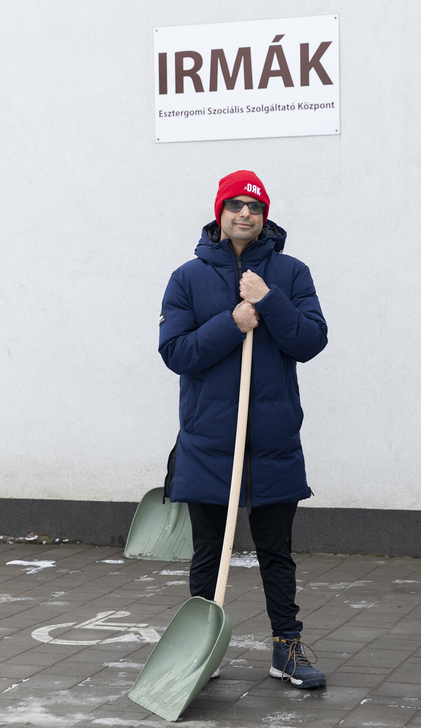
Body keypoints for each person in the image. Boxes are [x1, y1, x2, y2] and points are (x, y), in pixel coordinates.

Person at [158, 170, 328, 690]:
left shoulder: (292, 273)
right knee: (210, 551)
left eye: (254, 206)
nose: (245, 213)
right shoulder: (187, 277)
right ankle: (199, 650)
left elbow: (311, 340)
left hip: (273, 441)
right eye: (235, 205)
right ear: (219, 212)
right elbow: (177, 352)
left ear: (265, 216)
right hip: (210, 440)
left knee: (277, 551)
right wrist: (233, 322)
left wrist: (268, 299)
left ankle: (287, 648)